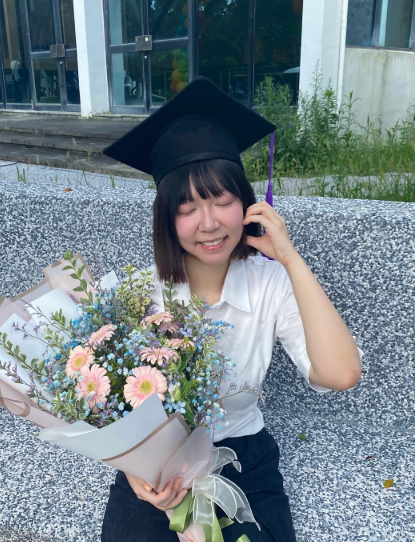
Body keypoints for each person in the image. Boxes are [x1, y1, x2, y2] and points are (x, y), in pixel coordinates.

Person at [100, 76, 363, 542]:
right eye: (187, 209)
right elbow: (111, 406)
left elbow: (340, 374)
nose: (209, 223)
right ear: (166, 218)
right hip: (159, 463)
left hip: (244, 456)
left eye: (222, 201)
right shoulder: (140, 295)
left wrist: (290, 259)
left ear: (246, 203)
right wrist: (136, 474)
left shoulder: (270, 284)